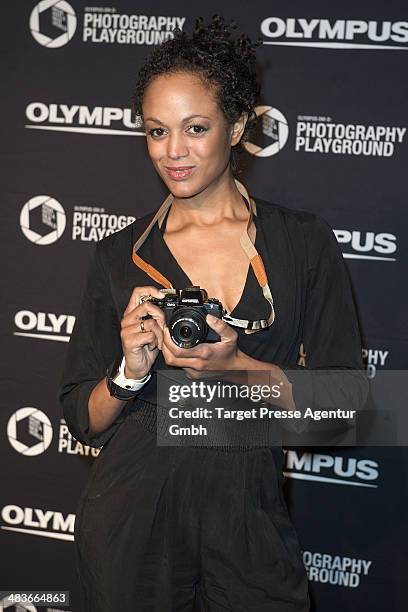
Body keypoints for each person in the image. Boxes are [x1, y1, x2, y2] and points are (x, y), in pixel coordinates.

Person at [58, 15, 368, 612]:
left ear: (238, 126)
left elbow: (346, 410)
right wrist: (128, 371)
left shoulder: (301, 242)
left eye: (195, 128)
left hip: (248, 517)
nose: (173, 152)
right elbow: (80, 418)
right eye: (155, 132)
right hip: (131, 519)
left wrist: (237, 365)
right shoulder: (118, 255)